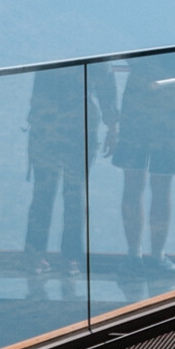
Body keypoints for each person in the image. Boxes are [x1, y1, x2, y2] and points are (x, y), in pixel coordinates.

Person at [24, 65, 118, 277]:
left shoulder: (51, 48)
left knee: (49, 195)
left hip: (53, 128)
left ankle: (40, 255)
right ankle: (67, 258)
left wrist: (112, 126)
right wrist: (112, 127)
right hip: (70, 128)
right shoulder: (90, 50)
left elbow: (105, 85)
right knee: (69, 195)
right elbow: (107, 87)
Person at [111, 51, 175, 278]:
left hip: (142, 110)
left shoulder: (142, 22)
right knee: (157, 187)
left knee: (139, 186)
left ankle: (138, 256)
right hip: (163, 112)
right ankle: (152, 256)